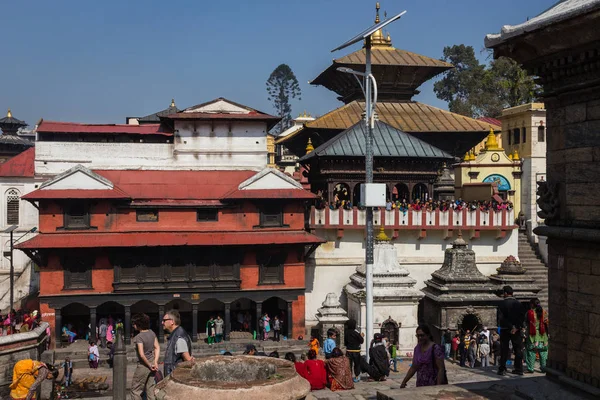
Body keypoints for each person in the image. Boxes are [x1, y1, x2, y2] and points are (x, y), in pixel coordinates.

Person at [130, 313, 160, 400]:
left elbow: (142, 354)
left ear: (138, 325)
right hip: (152, 362)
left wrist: (149, 365)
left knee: (135, 390)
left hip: (143, 365)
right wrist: (155, 362)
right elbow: (157, 347)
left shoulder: (139, 337)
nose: (133, 326)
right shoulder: (152, 333)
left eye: (134, 324)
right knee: (150, 388)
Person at [497, 286, 525, 376]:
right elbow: (522, 318)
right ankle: (519, 369)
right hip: (516, 330)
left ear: (505, 293)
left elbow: (501, 318)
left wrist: (510, 326)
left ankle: (502, 369)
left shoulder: (501, 304)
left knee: (504, 349)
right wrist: (516, 327)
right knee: (518, 349)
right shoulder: (518, 304)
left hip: (505, 329)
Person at [162, 309, 193, 376]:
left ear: (172, 321)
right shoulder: (175, 334)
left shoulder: (179, 337)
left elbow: (187, 359)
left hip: (175, 374)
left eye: (164, 320)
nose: (162, 322)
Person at [525, 298, 549, 373]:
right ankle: (544, 368)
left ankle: (530, 368)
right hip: (543, 335)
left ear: (532, 304)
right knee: (543, 353)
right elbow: (547, 323)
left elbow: (526, 324)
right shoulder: (544, 312)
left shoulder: (529, 313)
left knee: (531, 352)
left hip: (533, 336)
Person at [344, 319, 364, 383]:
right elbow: (361, 341)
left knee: (349, 365)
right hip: (356, 351)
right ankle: (357, 376)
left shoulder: (346, 332)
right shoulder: (356, 333)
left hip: (349, 350)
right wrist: (362, 336)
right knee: (357, 364)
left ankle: (349, 377)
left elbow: (345, 343)